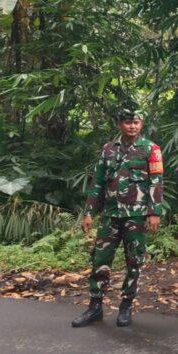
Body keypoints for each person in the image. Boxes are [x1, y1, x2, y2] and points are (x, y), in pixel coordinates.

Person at [72, 108, 164, 328]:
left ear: (141, 124)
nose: (132, 126)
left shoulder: (151, 149)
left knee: (134, 261)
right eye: (128, 122)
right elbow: (98, 182)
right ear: (120, 124)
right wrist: (89, 212)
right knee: (100, 259)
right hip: (111, 214)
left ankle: (126, 306)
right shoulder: (108, 149)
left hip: (137, 215)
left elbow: (156, 181)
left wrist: (154, 212)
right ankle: (95, 307)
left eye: (136, 122)